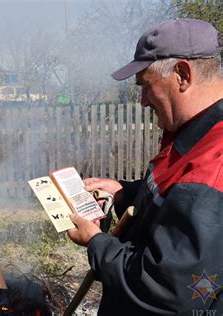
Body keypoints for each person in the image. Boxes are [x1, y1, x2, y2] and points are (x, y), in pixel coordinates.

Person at [68, 18, 223, 314]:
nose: (142, 101)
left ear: (182, 74)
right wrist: (124, 192)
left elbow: (166, 289)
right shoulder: (191, 134)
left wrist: (96, 243)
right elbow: (174, 203)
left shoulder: (215, 165)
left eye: (145, 86)